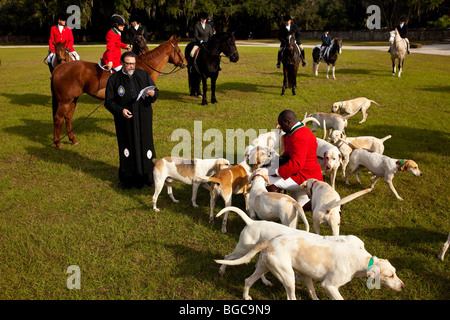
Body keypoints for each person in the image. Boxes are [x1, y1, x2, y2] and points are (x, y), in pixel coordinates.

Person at [105, 51, 159, 189]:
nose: (131, 67)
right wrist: (120, 110)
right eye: (128, 64)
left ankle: (149, 177)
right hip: (125, 120)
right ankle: (127, 179)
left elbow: (155, 91)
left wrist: (153, 94)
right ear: (122, 63)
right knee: (127, 147)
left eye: (133, 64)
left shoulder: (143, 75)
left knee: (146, 145)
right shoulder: (114, 79)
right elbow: (109, 102)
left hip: (143, 117)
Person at [266, 110, 323, 208]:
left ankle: (273, 208)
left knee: (264, 179)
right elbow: (289, 156)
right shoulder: (300, 131)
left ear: (288, 122)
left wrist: (276, 172)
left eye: (281, 124)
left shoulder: (299, 136)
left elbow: (296, 164)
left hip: (304, 176)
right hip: (307, 172)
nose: (280, 127)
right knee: (299, 207)